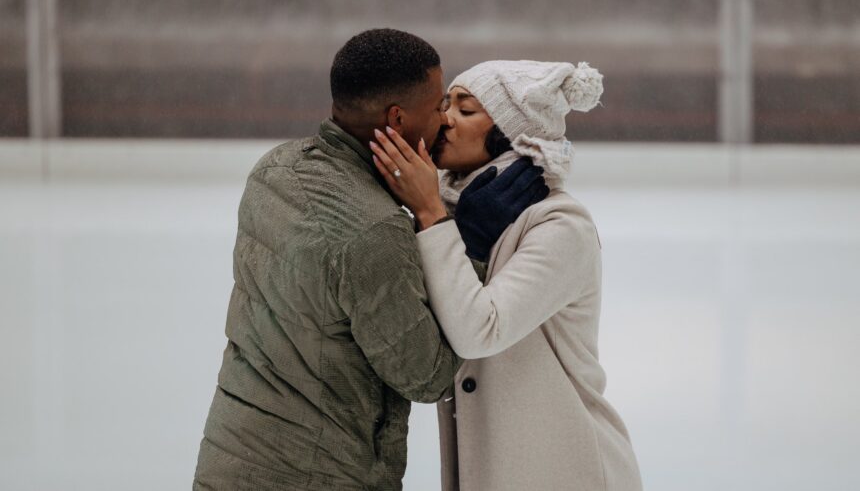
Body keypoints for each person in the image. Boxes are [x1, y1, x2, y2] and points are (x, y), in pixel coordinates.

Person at [192, 30, 543, 491]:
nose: (445, 120)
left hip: (230, 459)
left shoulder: (274, 169)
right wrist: (468, 243)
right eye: (439, 105)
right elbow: (428, 375)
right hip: (318, 476)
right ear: (397, 118)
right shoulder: (373, 231)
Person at [370, 60, 643, 491]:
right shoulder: (454, 214)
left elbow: (480, 330)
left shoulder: (559, 225)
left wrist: (432, 215)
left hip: (568, 468)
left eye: (466, 109)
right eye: (446, 105)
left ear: (512, 132)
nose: (446, 119)